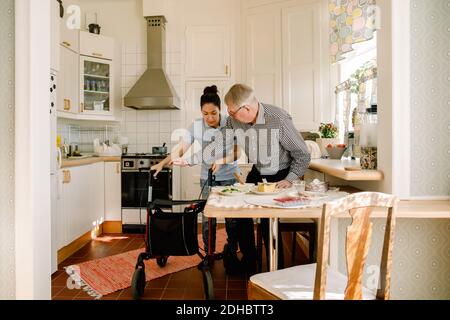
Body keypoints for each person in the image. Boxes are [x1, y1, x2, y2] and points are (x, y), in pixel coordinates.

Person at [192, 83, 311, 274]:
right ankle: (249, 261)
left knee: (267, 221)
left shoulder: (278, 119)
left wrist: (290, 179)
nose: (228, 116)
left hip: (281, 173)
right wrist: (192, 158)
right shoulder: (234, 121)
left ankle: (276, 270)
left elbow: (303, 154)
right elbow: (220, 144)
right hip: (257, 171)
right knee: (241, 214)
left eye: (231, 112)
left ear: (246, 108)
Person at [151, 85, 242, 272]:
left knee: (233, 220)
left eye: (214, 113)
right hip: (207, 179)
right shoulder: (196, 126)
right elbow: (182, 148)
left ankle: (232, 253)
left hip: (230, 178)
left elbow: (237, 152)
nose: (209, 118)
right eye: (205, 113)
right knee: (208, 219)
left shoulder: (231, 123)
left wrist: (222, 160)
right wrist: (163, 162)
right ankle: (209, 255)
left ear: (220, 110)